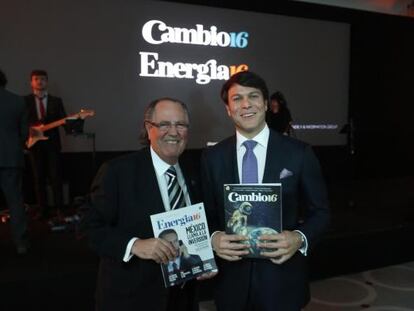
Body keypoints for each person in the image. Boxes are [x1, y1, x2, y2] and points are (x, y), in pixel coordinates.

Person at [201, 71, 330, 311]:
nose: (246, 104)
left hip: (283, 281)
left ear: (266, 104)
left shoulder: (299, 153)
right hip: (231, 283)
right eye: (236, 98)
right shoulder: (212, 158)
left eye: (253, 96)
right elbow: (206, 213)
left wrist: (299, 238)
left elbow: (321, 213)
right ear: (228, 109)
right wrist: (213, 238)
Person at [82, 98, 214, 311]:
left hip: (183, 298)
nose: (174, 132)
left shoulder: (195, 171)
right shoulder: (118, 172)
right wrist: (134, 245)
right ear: (148, 127)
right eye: (164, 124)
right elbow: (88, 227)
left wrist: (205, 258)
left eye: (180, 124)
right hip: (131, 299)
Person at [24, 69, 66, 220]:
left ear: (47, 82)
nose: (39, 81)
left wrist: (74, 123)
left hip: (53, 145)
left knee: (56, 177)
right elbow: (22, 122)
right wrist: (30, 132)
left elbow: (64, 121)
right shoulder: (25, 101)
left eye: (42, 79)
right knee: (38, 179)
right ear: (31, 82)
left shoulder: (57, 101)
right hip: (34, 146)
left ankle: (60, 209)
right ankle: (43, 210)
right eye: (36, 79)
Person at [0, 69, 29, 254]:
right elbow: (24, 134)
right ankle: (21, 243)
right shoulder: (18, 101)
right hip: (11, 158)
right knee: (15, 202)